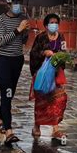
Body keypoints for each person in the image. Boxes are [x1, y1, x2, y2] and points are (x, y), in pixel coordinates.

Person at [0, 0, 29, 145]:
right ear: (8, 4)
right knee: (6, 92)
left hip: (17, 60)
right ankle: (9, 131)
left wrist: (26, 31)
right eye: (15, 3)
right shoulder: (0, 19)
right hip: (3, 60)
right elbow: (1, 41)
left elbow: (23, 41)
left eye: (19, 3)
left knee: (10, 93)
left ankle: (1, 118)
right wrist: (18, 30)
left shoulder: (22, 19)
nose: (17, 6)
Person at [29, 13, 67, 141]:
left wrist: (60, 57)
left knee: (58, 99)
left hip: (57, 73)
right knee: (41, 101)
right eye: (51, 22)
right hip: (43, 73)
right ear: (46, 25)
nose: (54, 24)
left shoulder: (61, 37)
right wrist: (44, 53)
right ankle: (37, 126)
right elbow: (33, 53)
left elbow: (64, 51)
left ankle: (55, 129)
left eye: (56, 22)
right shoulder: (40, 37)